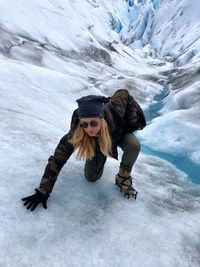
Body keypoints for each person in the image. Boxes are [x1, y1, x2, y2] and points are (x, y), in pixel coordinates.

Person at [22, 89, 146, 211]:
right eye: (84, 124)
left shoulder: (116, 109)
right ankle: (98, 156)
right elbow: (57, 159)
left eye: (93, 123)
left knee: (133, 145)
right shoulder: (77, 133)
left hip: (116, 134)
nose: (89, 128)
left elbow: (123, 92)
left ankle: (123, 177)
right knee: (91, 178)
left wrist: (134, 120)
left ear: (101, 119)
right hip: (97, 144)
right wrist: (43, 190)